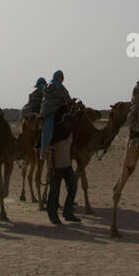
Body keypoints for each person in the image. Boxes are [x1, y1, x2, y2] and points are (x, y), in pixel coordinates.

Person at [41, 70, 79, 225]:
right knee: (55, 189)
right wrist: (61, 103)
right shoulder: (51, 85)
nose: (61, 78)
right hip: (57, 160)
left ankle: (68, 212)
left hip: (66, 162)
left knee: (73, 186)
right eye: (59, 76)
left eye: (62, 76)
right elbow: (49, 96)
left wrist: (69, 102)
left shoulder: (64, 89)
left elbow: (66, 98)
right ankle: (45, 146)